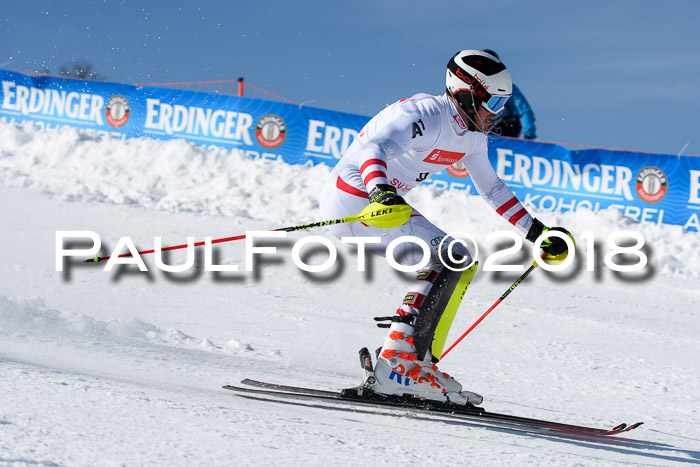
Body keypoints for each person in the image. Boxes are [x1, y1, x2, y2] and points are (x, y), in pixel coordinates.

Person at [319, 50, 572, 406]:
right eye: (494, 103)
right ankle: (396, 362)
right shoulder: (424, 114)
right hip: (354, 199)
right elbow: (373, 148)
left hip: (384, 204)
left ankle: (416, 361)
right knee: (451, 255)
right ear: (468, 94)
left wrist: (537, 232)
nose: (498, 113)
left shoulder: (471, 135)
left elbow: (492, 188)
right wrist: (381, 191)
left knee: (460, 261)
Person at [482, 49, 537, 140]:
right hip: (483, 127)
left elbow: (525, 111)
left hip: (505, 125)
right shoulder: (474, 88)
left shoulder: (507, 87)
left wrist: (529, 136)